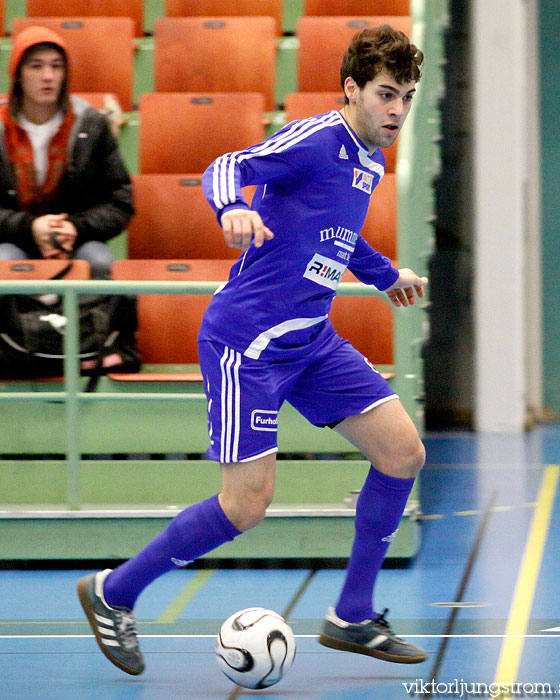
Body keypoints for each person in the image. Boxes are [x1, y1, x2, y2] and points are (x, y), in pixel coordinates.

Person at [77, 24, 429, 675]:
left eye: (406, 96)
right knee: (245, 504)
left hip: (311, 341)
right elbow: (225, 167)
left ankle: (352, 615)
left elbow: (337, 233)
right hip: (249, 342)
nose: (396, 110)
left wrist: (387, 278)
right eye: (385, 93)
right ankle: (113, 591)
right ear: (350, 89)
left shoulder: (371, 159)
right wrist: (227, 210)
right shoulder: (317, 139)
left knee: (403, 452)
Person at [0, 27, 133, 279]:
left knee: (99, 262)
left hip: (77, 238)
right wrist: (30, 227)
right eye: (36, 66)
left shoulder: (91, 125)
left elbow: (120, 201)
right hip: (10, 239)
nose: (48, 76)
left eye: (56, 66)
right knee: (3, 263)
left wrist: (74, 226)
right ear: (18, 74)